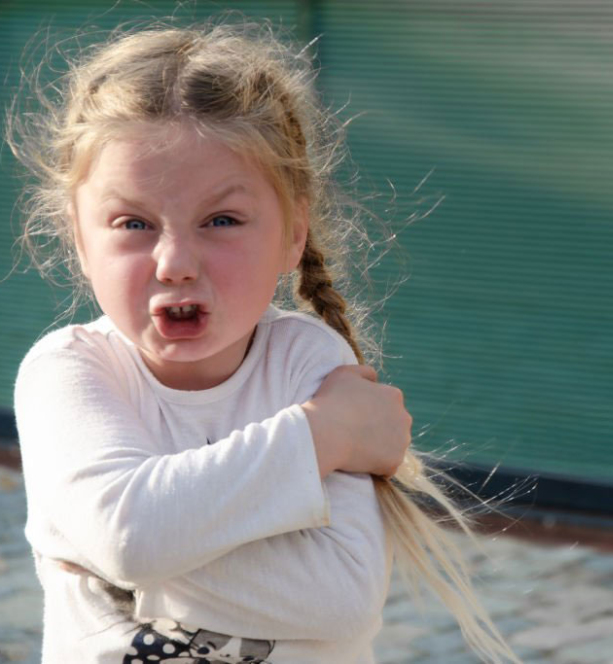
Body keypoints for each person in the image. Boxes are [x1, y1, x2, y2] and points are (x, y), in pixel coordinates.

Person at [7, 18, 519, 664]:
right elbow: (130, 536)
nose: (175, 262)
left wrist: (114, 555)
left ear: (292, 235)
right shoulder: (69, 373)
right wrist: (322, 438)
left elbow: (340, 601)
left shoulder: (311, 365)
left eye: (222, 219)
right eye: (133, 222)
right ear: (80, 242)